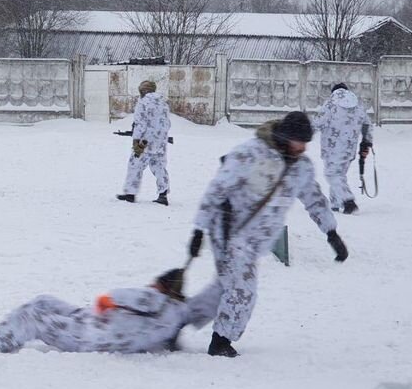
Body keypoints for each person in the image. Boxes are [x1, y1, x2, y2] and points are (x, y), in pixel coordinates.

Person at [186, 111, 349, 358]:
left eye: (306, 142)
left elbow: (314, 199)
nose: (303, 147)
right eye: (299, 141)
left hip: (256, 239)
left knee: (225, 286)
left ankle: (180, 319)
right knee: (243, 289)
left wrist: (331, 232)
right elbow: (217, 189)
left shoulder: (301, 167)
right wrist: (199, 228)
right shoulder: (251, 153)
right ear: (286, 136)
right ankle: (221, 341)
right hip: (229, 231)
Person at [0, 269, 195, 355]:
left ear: (163, 288)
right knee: (44, 300)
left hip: (90, 336)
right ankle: (2, 331)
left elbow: (115, 296)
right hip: (92, 322)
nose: (150, 286)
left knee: (37, 318)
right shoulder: (174, 317)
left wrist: (107, 301)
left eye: (155, 284)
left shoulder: (156, 300)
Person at [313, 83, 374, 214]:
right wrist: (366, 142)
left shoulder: (330, 104)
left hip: (331, 148)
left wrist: (302, 136)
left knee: (332, 174)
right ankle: (335, 204)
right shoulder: (358, 107)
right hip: (349, 150)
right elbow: (368, 125)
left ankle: (348, 202)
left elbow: (317, 122)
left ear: (333, 92)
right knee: (339, 175)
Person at [116, 80, 171, 205]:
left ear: (144, 91)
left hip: (144, 141)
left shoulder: (143, 102)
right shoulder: (163, 103)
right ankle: (163, 195)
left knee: (135, 165)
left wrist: (136, 140)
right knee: (160, 167)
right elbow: (167, 123)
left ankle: (130, 194)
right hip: (161, 142)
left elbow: (140, 124)